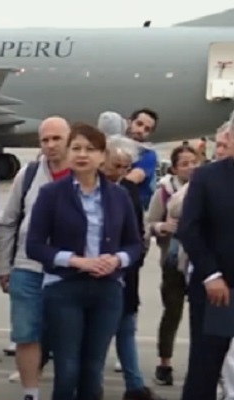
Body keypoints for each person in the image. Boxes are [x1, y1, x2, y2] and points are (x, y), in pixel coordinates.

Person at [26, 123, 142, 400]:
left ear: (102, 156)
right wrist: (76, 261)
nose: (82, 155)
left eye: (90, 149)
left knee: (93, 368)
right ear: (67, 153)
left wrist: (116, 259)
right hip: (64, 287)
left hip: (107, 289)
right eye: (76, 148)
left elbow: (135, 244)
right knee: (67, 368)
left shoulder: (119, 196)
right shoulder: (51, 194)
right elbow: (35, 246)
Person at [0, 117, 71, 400]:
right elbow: (8, 222)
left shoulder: (83, 174)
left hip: (68, 270)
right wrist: (4, 267)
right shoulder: (27, 175)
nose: (50, 145)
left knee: (66, 337)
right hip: (27, 267)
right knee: (26, 334)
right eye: (45, 140)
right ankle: (31, 392)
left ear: (69, 139)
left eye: (57, 139)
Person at [100, 134, 163, 400]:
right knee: (99, 334)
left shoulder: (128, 192)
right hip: (99, 272)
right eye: (116, 165)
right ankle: (94, 385)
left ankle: (134, 386)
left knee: (125, 328)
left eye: (126, 167)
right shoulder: (95, 189)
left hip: (125, 271)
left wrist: (129, 261)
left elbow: (137, 235)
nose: (121, 172)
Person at [177, 113, 234, 400]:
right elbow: (189, 229)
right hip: (217, 291)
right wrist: (211, 275)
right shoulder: (207, 177)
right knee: (205, 367)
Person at [145, 144, 198, 385]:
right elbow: (149, 223)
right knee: (172, 313)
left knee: (202, 317)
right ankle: (164, 362)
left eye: (194, 162)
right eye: (184, 164)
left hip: (199, 260)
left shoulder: (205, 187)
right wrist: (162, 227)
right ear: (174, 169)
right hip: (173, 261)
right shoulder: (164, 192)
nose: (190, 168)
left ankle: (205, 365)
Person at [123, 108, 159, 210]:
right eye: (139, 124)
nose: (141, 130)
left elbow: (132, 180)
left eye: (147, 129)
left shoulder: (148, 154)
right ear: (129, 122)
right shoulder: (116, 146)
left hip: (131, 208)